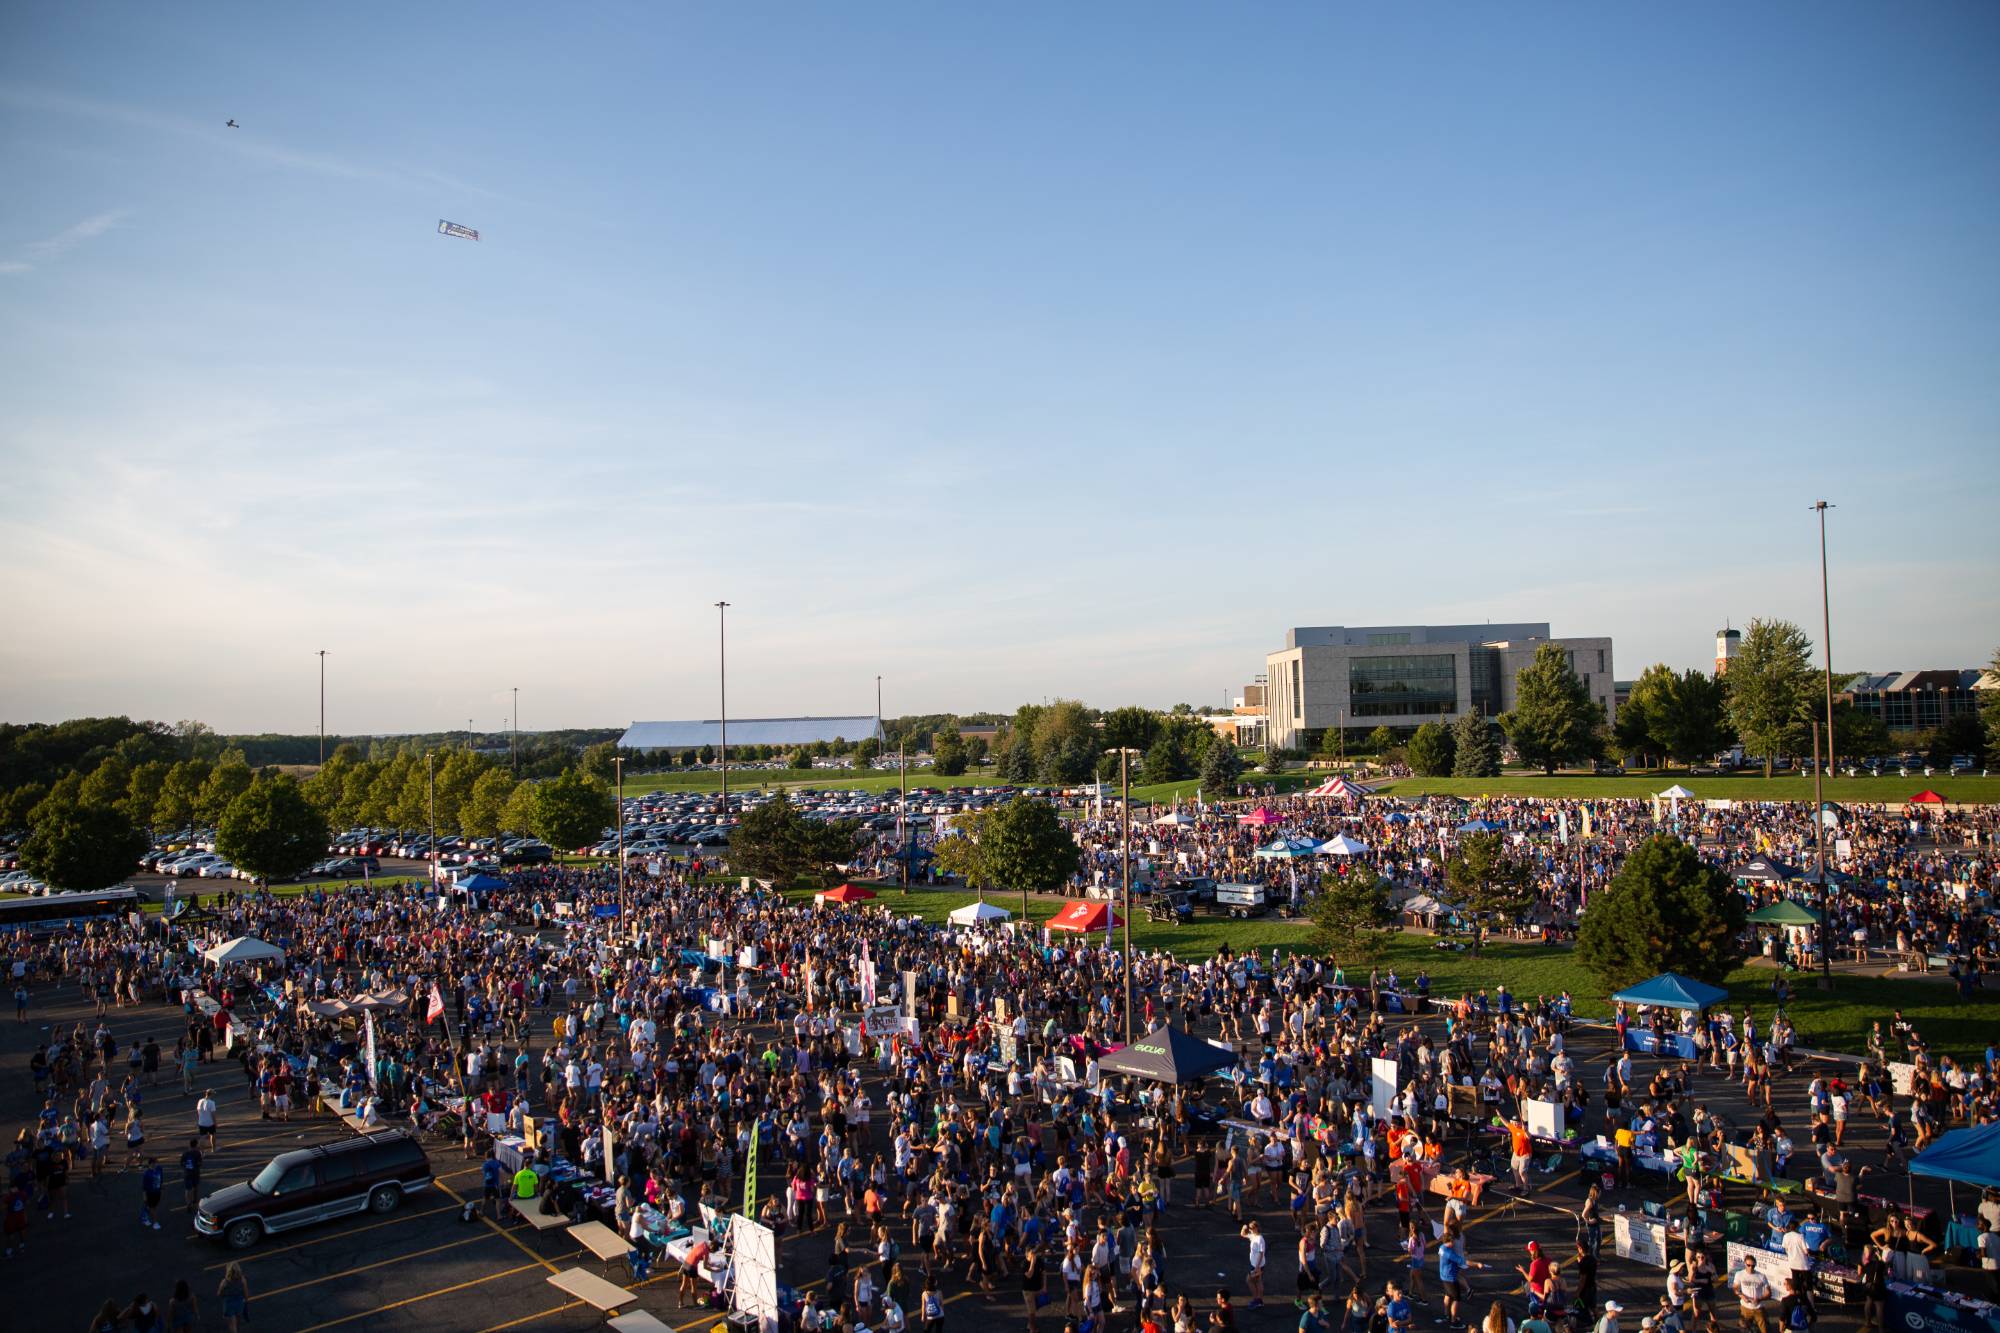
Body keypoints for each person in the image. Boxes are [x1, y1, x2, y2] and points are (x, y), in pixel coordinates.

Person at [1732, 1254, 1772, 1333]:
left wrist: (1759, 1299)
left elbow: (1768, 1292)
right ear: (1745, 1264)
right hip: (1745, 1308)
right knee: (1745, 1329)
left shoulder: (1761, 1276)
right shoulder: (1739, 1274)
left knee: (1764, 1330)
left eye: (1753, 1266)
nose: (1750, 1267)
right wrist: (1742, 1296)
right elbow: (1735, 1288)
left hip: (1758, 1308)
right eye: (1748, 1265)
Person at [218, 1262, 250, 1333]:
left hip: (229, 1303)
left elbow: (219, 1294)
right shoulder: (242, 1280)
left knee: (232, 1324)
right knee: (238, 1322)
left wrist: (225, 1295)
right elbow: (246, 1293)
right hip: (239, 1302)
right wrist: (246, 1302)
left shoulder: (225, 1282)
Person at [1242, 1220, 1267, 1309]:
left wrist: (1257, 1267)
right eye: (1249, 1228)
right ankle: (1259, 1300)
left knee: (1249, 1280)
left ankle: (1256, 1299)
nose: (1250, 1230)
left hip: (1258, 1265)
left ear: (1256, 1228)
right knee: (1258, 1281)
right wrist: (1244, 1228)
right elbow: (1242, 1234)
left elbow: (1261, 1254)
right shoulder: (1253, 1236)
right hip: (1255, 1264)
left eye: (1251, 1228)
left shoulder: (1260, 1239)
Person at [140, 1156, 165, 1231]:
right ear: (150, 1164)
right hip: (150, 1193)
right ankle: (155, 1222)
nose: (155, 1164)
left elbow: (161, 1179)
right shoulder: (147, 1174)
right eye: (153, 1163)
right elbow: (144, 1187)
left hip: (157, 1192)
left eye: (156, 1163)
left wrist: (162, 1187)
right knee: (152, 1208)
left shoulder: (159, 1169)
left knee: (152, 1206)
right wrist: (144, 1196)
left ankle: (144, 1215)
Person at [180, 1139, 202, 1212]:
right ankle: (194, 1201)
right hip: (195, 1173)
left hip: (187, 1173)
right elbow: (199, 1163)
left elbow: (182, 1163)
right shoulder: (197, 1153)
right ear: (196, 1145)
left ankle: (188, 1204)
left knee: (187, 1189)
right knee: (195, 1187)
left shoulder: (185, 1153)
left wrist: (186, 1167)